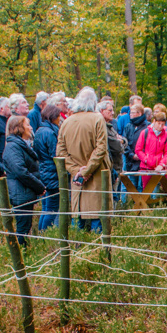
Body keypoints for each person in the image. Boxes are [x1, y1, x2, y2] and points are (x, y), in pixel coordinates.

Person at [56, 87, 110, 233]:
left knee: (78, 223)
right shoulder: (98, 119)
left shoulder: (66, 122)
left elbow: (60, 153)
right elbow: (101, 148)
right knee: (97, 220)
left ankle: (77, 246)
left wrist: (77, 171)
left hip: (77, 181)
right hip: (96, 177)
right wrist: (86, 171)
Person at [3, 115, 46, 245]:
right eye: (27, 125)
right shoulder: (13, 147)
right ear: (19, 128)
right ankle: (21, 253)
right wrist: (39, 187)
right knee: (22, 229)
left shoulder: (20, 145)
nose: (31, 128)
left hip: (25, 192)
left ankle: (24, 251)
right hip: (20, 194)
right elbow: (20, 171)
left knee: (26, 227)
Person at [34, 104, 61, 231]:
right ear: (53, 116)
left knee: (46, 208)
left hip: (44, 171)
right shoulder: (50, 133)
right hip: (52, 173)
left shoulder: (40, 130)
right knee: (51, 209)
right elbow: (55, 154)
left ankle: (41, 234)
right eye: (58, 116)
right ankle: (45, 235)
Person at [135, 111, 167, 189]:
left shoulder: (166, 135)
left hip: (161, 167)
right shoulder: (145, 132)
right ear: (154, 121)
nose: (160, 126)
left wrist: (161, 164)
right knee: (147, 190)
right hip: (146, 167)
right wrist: (146, 159)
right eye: (158, 123)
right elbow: (138, 150)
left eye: (162, 124)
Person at [120, 102, 149, 195]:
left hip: (143, 162)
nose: (130, 115)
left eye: (133, 112)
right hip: (130, 161)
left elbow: (149, 144)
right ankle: (128, 203)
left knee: (141, 186)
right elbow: (125, 143)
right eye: (130, 112)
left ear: (139, 113)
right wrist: (131, 155)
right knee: (130, 186)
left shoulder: (147, 126)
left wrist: (140, 155)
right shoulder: (128, 126)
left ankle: (141, 203)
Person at [98, 99, 124, 195]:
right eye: (110, 110)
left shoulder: (111, 125)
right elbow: (118, 147)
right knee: (110, 196)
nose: (112, 113)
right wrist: (120, 141)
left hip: (116, 167)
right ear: (101, 111)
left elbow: (123, 141)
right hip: (109, 169)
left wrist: (121, 141)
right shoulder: (102, 127)